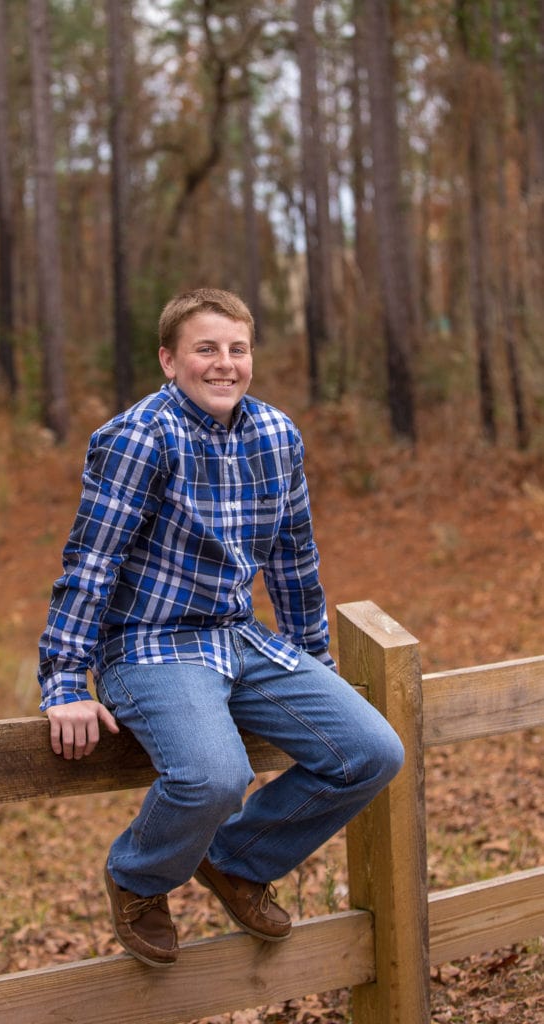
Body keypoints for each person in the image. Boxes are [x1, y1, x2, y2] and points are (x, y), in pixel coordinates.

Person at [38, 287, 404, 968]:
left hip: (240, 637)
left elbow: (295, 557)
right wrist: (63, 682)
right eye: (206, 349)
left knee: (372, 751)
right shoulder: (138, 437)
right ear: (169, 360)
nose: (224, 364)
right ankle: (140, 878)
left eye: (237, 349)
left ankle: (238, 860)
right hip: (149, 645)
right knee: (213, 775)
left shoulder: (275, 434)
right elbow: (91, 561)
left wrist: (312, 655)